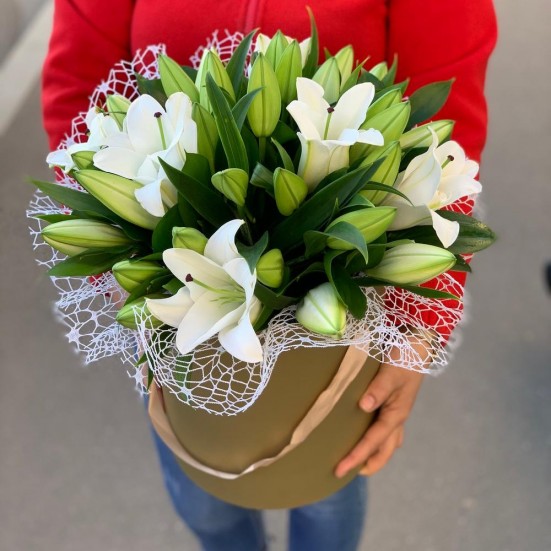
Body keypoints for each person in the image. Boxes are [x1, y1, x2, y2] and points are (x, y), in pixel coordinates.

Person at [41, 1, 497, 549]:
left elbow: (449, 137)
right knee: (202, 499)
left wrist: (417, 332)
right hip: (174, 285)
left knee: (325, 494)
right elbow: (76, 88)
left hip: (338, 319)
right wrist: (120, 267)